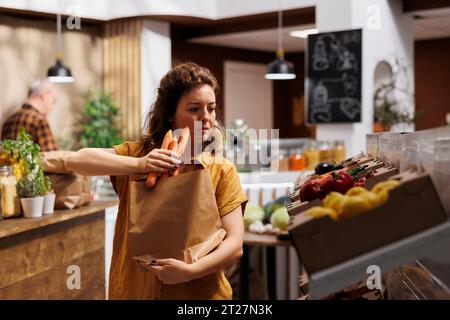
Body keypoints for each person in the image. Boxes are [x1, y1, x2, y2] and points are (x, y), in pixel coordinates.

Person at [65, 62, 247, 300]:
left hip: (199, 295)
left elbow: (234, 246)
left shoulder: (221, 170)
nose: (207, 118)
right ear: (170, 114)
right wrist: (141, 165)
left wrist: (189, 272)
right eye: (194, 109)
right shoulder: (138, 154)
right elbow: (76, 161)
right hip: (134, 290)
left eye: (211, 109)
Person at [1, 79, 58, 151]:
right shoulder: (39, 120)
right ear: (43, 96)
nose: (52, 108)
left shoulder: (8, 120)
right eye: (54, 101)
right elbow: (52, 156)